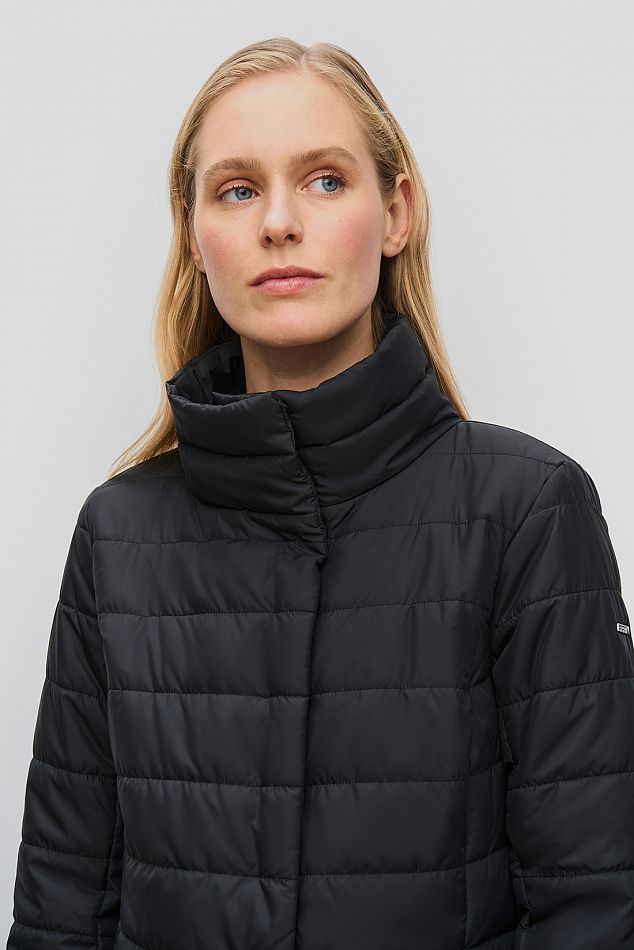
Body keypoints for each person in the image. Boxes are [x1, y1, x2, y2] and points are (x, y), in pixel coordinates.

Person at [7, 36, 633, 950]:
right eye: (237, 189)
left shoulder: (526, 512)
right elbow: (61, 915)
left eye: (326, 180)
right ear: (194, 234)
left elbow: (596, 907)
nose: (278, 223)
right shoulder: (118, 534)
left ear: (396, 212)